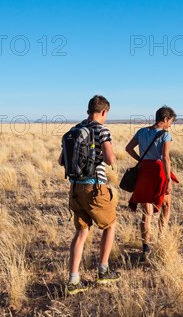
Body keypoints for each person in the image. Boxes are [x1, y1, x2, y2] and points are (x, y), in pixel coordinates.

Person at [58, 95, 120, 295]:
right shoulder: (101, 130)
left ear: (88, 110)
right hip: (94, 187)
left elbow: (61, 161)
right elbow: (110, 160)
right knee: (110, 225)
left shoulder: (74, 130)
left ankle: (73, 280)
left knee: (81, 232)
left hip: (75, 187)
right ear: (103, 112)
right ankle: (103, 271)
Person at [125, 106, 178, 260]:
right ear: (166, 119)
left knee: (146, 212)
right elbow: (165, 158)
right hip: (158, 172)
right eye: (170, 122)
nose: (170, 125)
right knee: (166, 206)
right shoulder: (165, 135)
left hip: (144, 172)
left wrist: (141, 160)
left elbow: (128, 148)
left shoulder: (141, 131)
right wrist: (168, 180)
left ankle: (145, 248)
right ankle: (162, 240)